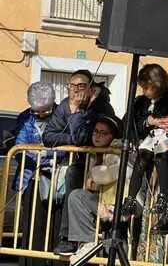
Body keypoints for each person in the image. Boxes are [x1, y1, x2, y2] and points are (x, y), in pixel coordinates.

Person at [44, 69, 116, 251]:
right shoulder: (64, 106)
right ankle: (67, 237)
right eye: (72, 86)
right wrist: (69, 139)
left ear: (91, 88)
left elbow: (83, 138)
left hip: (101, 163)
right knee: (73, 172)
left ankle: (72, 237)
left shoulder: (102, 107)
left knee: (74, 173)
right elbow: (48, 136)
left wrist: (75, 112)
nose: (75, 90)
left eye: (81, 86)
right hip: (79, 161)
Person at [120, 63, 168, 235]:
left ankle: (164, 197)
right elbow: (129, 123)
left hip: (166, 138)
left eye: (148, 88)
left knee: (161, 159)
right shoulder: (140, 102)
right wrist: (147, 122)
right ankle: (130, 199)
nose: (145, 91)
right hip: (150, 138)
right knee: (141, 161)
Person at [53, 115, 123, 258]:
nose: (98, 136)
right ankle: (86, 242)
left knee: (78, 196)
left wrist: (93, 176)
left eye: (104, 133)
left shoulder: (117, 149)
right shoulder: (92, 153)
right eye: (96, 131)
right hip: (99, 200)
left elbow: (113, 173)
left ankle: (88, 242)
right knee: (76, 196)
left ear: (113, 135)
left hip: (116, 203)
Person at [14, 82, 57, 266]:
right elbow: (19, 146)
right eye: (37, 111)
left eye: (45, 111)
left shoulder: (61, 115)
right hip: (28, 178)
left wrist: (45, 154)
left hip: (53, 179)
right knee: (30, 226)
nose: (40, 115)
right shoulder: (24, 117)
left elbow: (63, 146)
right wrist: (39, 153)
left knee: (49, 226)